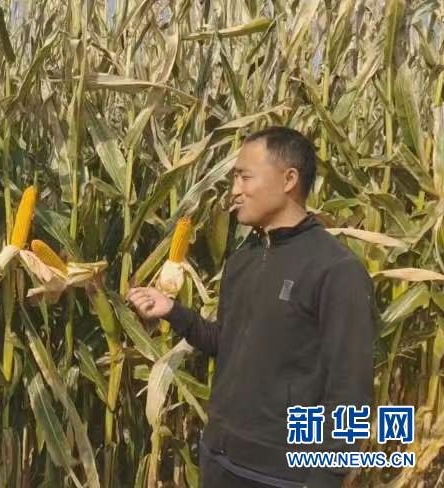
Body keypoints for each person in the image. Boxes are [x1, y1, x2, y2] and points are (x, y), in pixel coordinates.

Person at [127, 127, 376, 488]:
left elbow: (350, 391)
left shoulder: (335, 271)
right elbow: (228, 342)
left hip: (282, 475)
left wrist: (325, 478)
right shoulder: (244, 258)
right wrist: (173, 311)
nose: (234, 190)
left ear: (289, 179)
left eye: (245, 177)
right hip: (220, 460)